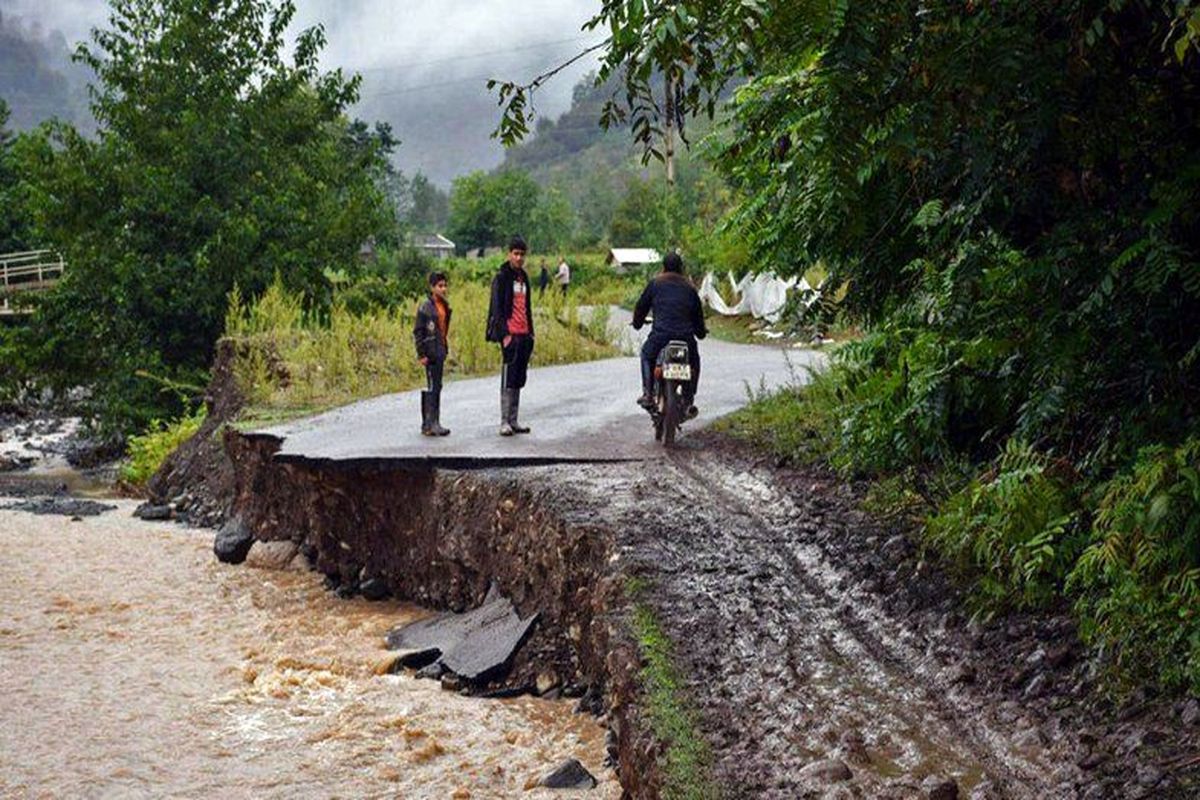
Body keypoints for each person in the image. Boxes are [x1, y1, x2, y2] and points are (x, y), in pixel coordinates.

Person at [631, 251, 707, 418]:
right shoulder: (690, 288)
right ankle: (689, 399)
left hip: (661, 337)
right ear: (681, 268)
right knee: (694, 362)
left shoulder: (655, 284)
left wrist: (637, 323)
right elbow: (698, 319)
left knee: (646, 355)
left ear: (663, 267)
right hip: (686, 339)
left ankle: (648, 394)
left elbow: (641, 307)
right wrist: (700, 333)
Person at [486, 235, 535, 436]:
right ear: (509, 254)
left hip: (524, 334)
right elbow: (496, 309)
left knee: (518, 378)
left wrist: (531, 332)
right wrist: (504, 335)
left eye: (522, 254)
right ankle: (504, 421)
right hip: (510, 334)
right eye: (516, 254)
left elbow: (527, 307)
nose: (519, 258)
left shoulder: (524, 278)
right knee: (507, 378)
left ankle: (514, 420)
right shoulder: (501, 277)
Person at [413, 271, 452, 436]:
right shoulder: (425, 308)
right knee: (432, 387)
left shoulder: (444, 306)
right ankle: (429, 423)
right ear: (432, 287)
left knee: (437, 386)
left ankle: (432, 422)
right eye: (439, 286)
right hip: (430, 352)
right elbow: (418, 332)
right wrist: (421, 353)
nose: (443, 289)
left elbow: (443, 330)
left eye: (444, 285)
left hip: (439, 350)